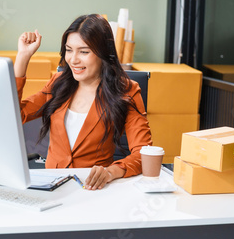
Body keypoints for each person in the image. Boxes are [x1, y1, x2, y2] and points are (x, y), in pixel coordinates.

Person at [14, 14, 152, 190]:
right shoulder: (58, 83)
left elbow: (144, 153)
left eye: (84, 51)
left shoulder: (126, 90)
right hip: (51, 188)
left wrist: (111, 172)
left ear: (103, 53)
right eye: (69, 50)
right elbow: (15, 115)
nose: (73, 59)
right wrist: (23, 57)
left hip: (93, 188)